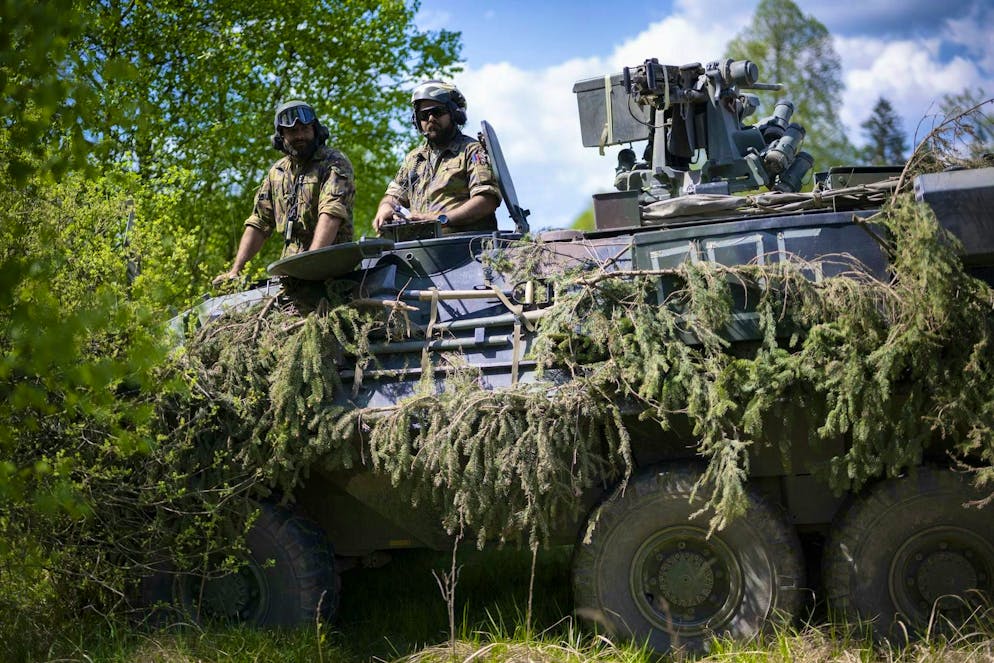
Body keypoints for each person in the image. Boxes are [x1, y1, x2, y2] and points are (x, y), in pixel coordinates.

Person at [213, 100, 355, 285]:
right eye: (293, 131)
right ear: (281, 137)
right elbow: (259, 222)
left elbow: (332, 211)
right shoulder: (277, 172)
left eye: (305, 129)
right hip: (291, 272)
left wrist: (311, 265)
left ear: (315, 130)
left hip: (333, 268)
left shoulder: (333, 162)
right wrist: (235, 271)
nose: (300, 136)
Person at [372, 81, 500, 235]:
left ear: (454, 113)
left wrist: (440, 220)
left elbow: (487, 200)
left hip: (466, 243)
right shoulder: (414, 159)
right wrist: (386, 207)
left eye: (437, 112)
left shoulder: (472, 151)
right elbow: (394, 195)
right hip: (424, 245)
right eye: (424, 115)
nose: (431, 118)